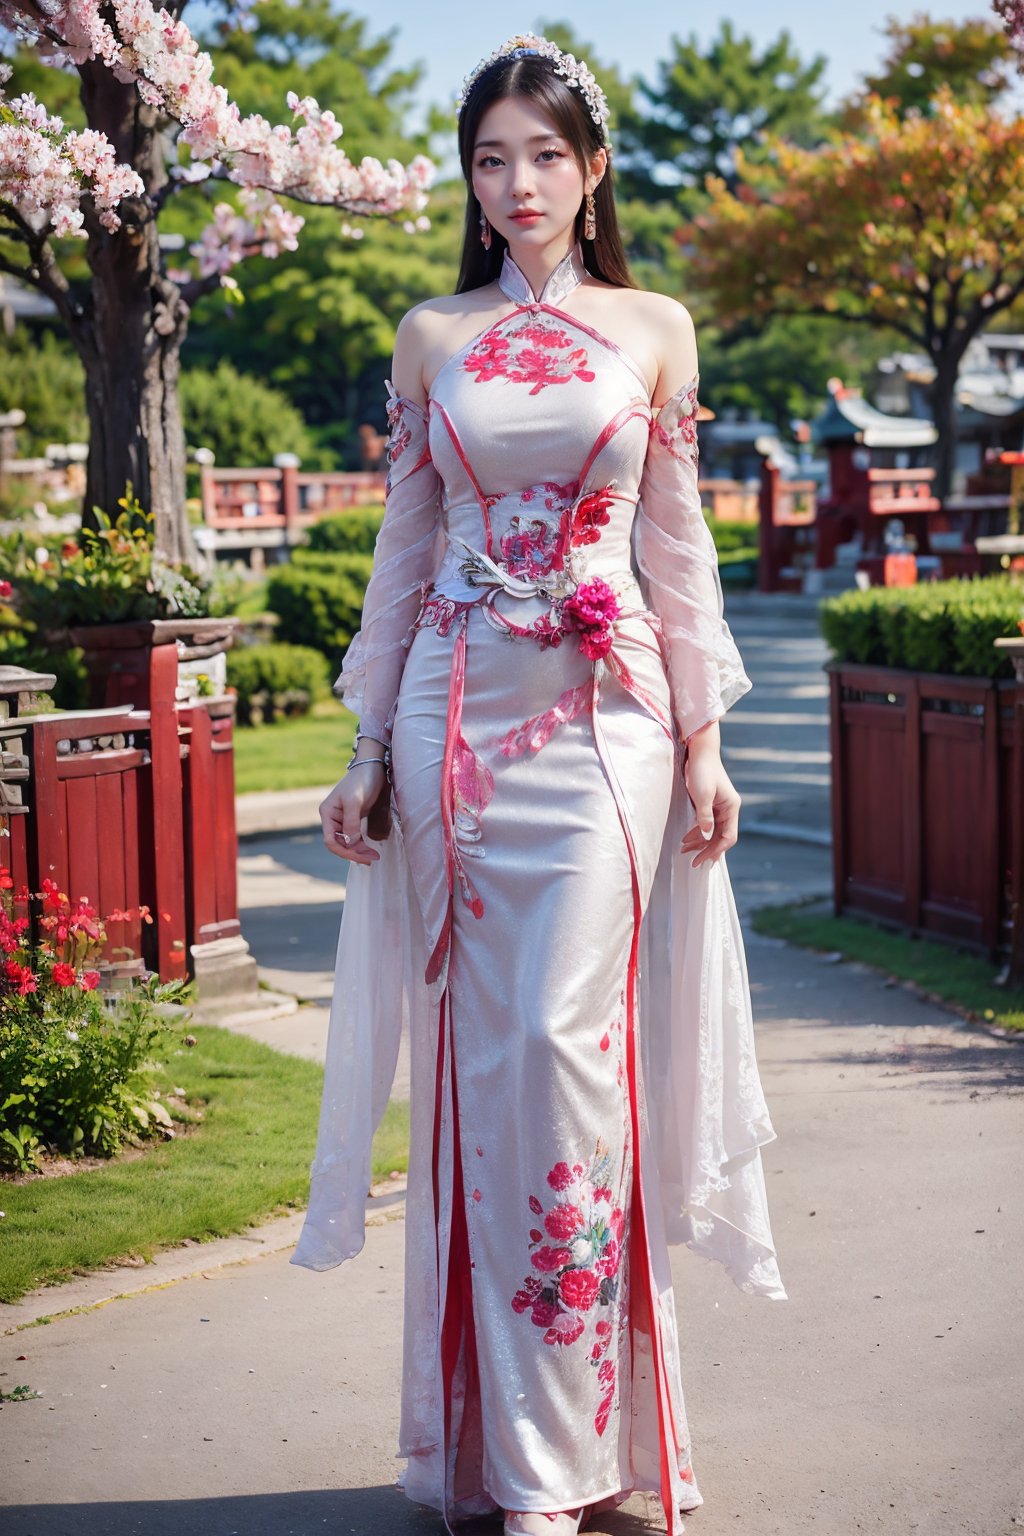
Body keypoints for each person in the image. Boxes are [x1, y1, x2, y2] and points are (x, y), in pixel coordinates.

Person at [290, 31, 787, 1536]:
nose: (517, 183)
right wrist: (367, 744)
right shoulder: (431, 335)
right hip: (454, 718)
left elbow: (680, 553)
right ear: (469, 175)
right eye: (492, 156)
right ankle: (519, 1459)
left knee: (569, 1044)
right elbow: (399, 548)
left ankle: (572, 1452)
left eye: (545, 154)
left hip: (609, 719)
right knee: (486, 1062)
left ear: (591, 168)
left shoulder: (654, 326)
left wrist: (707, 741)